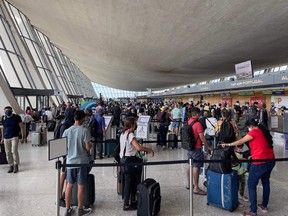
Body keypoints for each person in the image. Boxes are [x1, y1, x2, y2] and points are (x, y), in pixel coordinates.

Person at [221, 118, 275, 216]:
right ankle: (264, 206)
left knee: (251, 185)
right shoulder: (263, 131)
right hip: (270, 161)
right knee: (266, 183)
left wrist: (227, 144)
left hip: (259, 163)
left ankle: (253, 212)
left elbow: (241, 141)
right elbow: (260, 145)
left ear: (250, 126)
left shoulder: (254, 132)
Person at [120, 117, 154, 211]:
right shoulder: (130, 135)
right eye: (134, 124)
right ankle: (127, 204)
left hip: (123, 160)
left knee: (128, 182)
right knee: (132, 182)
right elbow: (138, 148)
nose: (136, 125)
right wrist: (149, 150)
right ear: (132, 125)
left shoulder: (123, 133)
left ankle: (130, 200)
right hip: (131, 161)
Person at [62, 110, 93, 216]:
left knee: (69, 185)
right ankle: (80, 209)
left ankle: (67, 209)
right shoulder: (85, 131)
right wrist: (89, 146)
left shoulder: (66, 131)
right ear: (82, 118)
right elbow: (88, 148)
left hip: (70, 162)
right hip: (82, 162)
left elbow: (63, 147)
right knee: (81, 186)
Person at [186, 107, 213, 195]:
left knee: (189, 164)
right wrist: (208, 146)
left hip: (189, 147)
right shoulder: (198, 124)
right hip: (196, 147)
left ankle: (189, 184)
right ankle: (196, 188)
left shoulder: (189, 121)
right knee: (196, 167)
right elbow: (202, 137)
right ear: (197, 114)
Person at [0, 106, 24, 173]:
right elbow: (3, 129)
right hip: (6, 137)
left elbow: (22, 127)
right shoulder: (3, 118)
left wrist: (22, 137)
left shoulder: (17, 117)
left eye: (8, 110)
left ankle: (16, 165)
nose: (7, 112)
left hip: (14, 137)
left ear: (11, 110)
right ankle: (11, 165)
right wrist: (2, 138)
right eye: (6, 111)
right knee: (8, 152)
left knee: (14, 151)